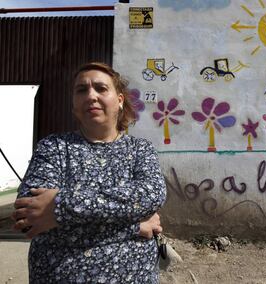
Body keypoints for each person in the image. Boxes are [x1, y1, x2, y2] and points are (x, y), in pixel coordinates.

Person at [11, 62, 167, 283]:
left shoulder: (140, 149)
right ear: (74, 104)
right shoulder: (53, 147)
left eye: (101, 88)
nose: (91, 95)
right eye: (81, 90)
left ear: (120, 100)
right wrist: (134, 227)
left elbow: (151, 195)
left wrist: (58, 206)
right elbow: (29, 216)